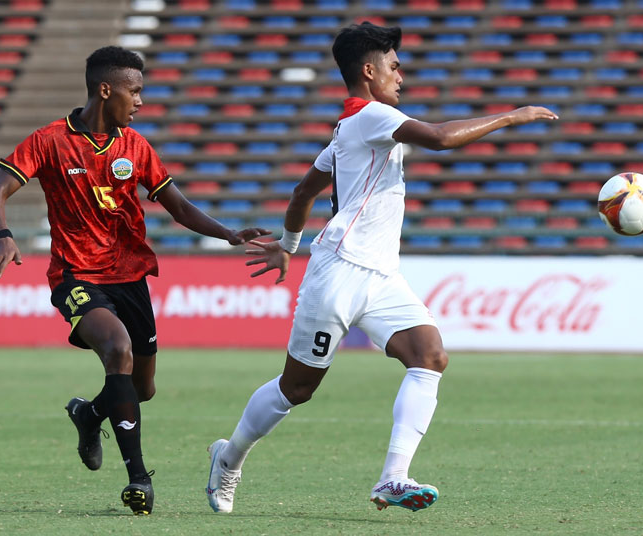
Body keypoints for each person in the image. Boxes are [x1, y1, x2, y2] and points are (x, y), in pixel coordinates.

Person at [204, 22, 558, 514]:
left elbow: (305, 190)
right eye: (394, 65)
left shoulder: (349, 127)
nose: (401, 74)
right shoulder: (371, 117)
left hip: (381, 275)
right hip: (339, 272)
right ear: (368, 72)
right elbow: (437, 138)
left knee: (429, 356)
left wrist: (287, 243)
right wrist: (511, 117)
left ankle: (393, 478)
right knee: (297, 389)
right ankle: (228, 458)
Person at [0, 46, 269, 515]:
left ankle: (89, 414)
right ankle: (138, 480)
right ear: (105, 89)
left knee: (141, 388)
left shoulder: (135, 146)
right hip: (74, 274)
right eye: (135, 91)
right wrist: (4, 236)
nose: (141, 101)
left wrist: (228, 234)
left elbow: (179, 206)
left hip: (129, 276)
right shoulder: (49, 140)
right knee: (117, 349)